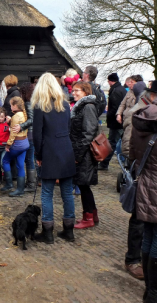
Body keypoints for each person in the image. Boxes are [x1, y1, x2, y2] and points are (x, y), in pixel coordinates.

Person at [32, 73, 76, 244]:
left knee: (47, 193)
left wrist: (39, 155)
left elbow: (37, 136)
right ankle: (69, 230)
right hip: (66, 150)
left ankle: (48, 232)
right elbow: (68, 128)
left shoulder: (40, 107)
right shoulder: (65, 104)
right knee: (67, 193)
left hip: (50, 152)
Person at [130, 104, 157, 302]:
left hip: (144, 187)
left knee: (148, 235)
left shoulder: (141, 121)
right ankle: (153, 292)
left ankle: (149, 289)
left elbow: (130, 155)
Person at [68, 82, 99, 229]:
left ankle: (88, 217)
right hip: (81, 151)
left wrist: (78, 155)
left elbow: (89, 133)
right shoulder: (81, 106)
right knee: (83, 184)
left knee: (83, 185)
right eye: (73, 90)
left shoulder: (88, 107)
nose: (73, 93)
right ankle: (92, 214)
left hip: (85, 153)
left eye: (77, 91)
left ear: (85, 91)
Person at [0, 97, 29, 196]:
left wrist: (8, 145)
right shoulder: (24, 114)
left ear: (15, 106)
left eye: (11, 105)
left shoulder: (16, 117)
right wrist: (10, 121)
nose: (10, 106)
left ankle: (9, 184)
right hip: (25, 143)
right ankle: (20, 190)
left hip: (17, 144)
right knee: (20, 165)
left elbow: (13, 133)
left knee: (5, 161)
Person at [99, 73, 127, 170]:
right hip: (122, 121)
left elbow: (114, 107)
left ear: (111, 81)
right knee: (123, 142)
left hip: (116, 122)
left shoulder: (115, 91)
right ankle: (126, 163)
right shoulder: (122, 89)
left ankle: (104, 164)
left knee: (111, 143)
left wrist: (109, 116)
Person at [12, 82, 37, 192]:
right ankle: (30, 183)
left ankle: (31, 184)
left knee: (30, 159)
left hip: (30, 135)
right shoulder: (33, 102)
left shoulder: (28, 103)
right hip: (32, 134)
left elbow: (32, 120)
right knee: (30, 159)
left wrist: (21, 126)